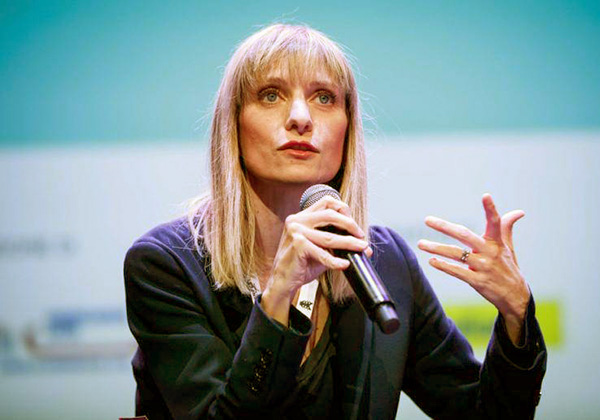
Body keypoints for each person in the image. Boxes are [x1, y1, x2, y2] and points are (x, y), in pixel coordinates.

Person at [124, 24, 546, 419]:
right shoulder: (165, 265)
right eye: (270, 95)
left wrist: (517, 314)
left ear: (348, 129)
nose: (300, 118)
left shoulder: (385, 262)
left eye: (324, 98)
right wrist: (279, 295)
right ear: (233, 124)